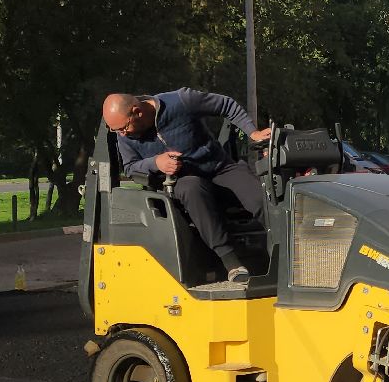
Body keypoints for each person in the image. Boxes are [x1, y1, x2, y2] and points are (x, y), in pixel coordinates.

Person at [103, 90, 272, 282]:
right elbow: (130, 167)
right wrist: (156, 162)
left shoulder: (181, 101)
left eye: (123, 128)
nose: (122, 134)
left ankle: (285, 251)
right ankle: (231, 263)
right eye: (116, 130)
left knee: (260, 197)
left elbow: (226, 105)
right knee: (191, 188)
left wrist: (254, 133)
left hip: (220, 168)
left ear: (137, 112)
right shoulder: (124, 136)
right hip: (183, 181)